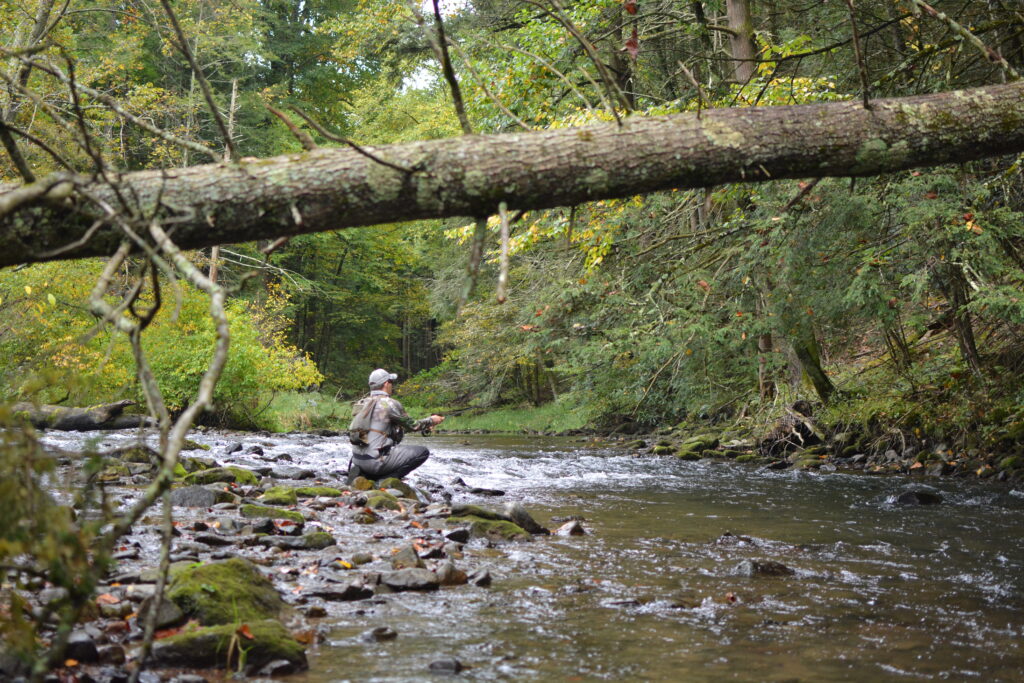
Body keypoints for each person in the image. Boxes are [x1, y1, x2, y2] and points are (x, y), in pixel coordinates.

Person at [346, 368, 444, 482]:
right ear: (386, 384)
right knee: (422, 452)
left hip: (357, 461)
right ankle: (386, 479)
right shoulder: (389, 403)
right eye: (391, 382)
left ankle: (365, 476)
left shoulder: (362, 403)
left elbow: (381, 430)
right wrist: (431, 420)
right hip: (374, 463)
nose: (392, 385)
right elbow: (413, 425)